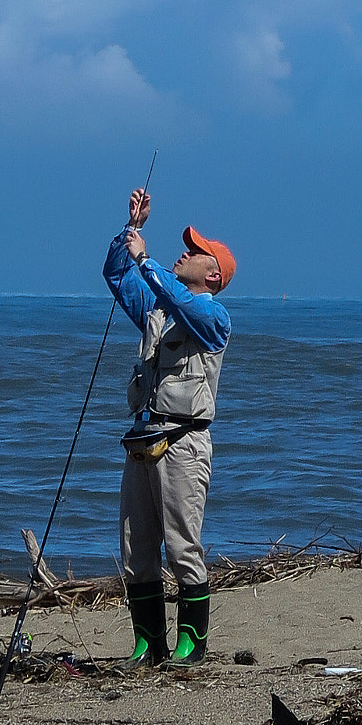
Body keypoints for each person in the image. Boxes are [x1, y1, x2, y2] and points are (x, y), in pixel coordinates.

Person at [103, 186, 235, 665]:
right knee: (136, 547)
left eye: (197, 251)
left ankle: (191, 644)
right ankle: (148, 643)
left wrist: (149, 261)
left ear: (213, 274)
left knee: (183, 547)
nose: (187, 252)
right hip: (143, 440)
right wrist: (131, 230)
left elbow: (181, 301)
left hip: (184, 444)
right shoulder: (158, 310)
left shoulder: (213, 318)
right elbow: (117, 274)